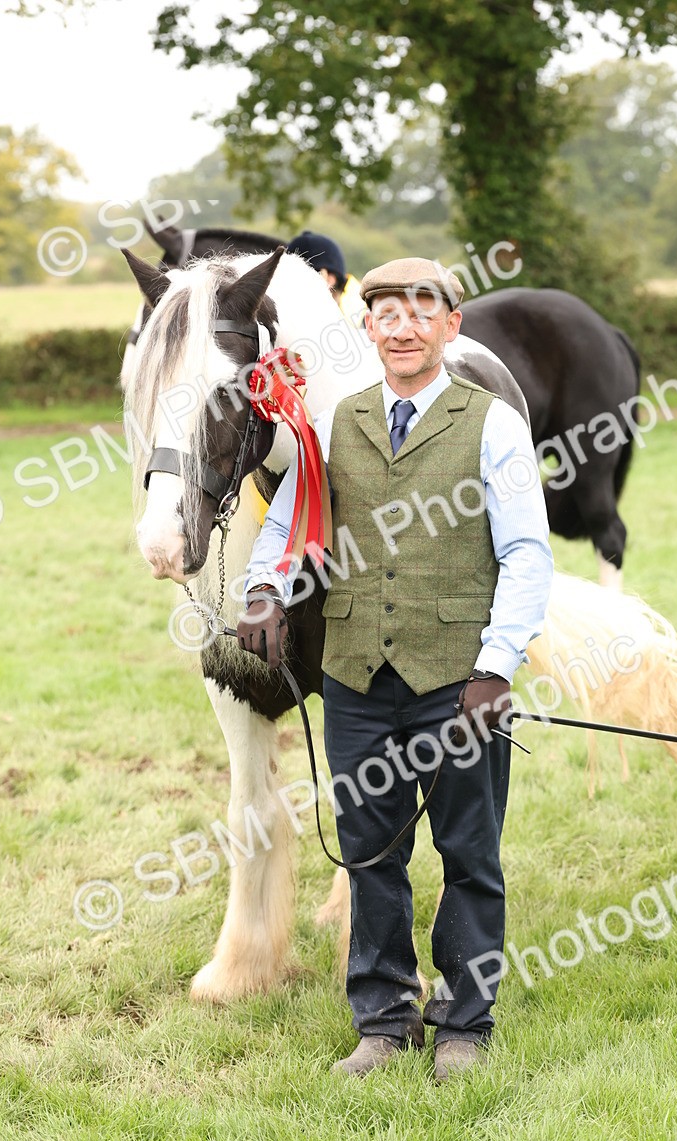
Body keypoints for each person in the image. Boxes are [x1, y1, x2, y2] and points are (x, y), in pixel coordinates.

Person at [237, 257, 553, 1081]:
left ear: (452, 325)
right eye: (386, 312)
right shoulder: (332, 421)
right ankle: (382, 1021)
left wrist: (495, 667)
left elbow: (526, 553)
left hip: (459, 681)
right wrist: (264, 592)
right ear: (367, 328)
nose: (404, 325)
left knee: (469, 853)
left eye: (423, 310)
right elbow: (287, 527)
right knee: (369, 852)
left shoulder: (492, 424)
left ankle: (463, 1025)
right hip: (353, 679)